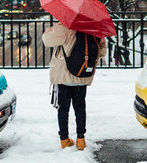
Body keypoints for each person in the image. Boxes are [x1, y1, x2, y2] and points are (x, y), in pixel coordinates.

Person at [42, 22, 107, 150]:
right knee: (80, 108)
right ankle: (81, 139)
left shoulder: (66, 28)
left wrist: (56, 26)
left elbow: (46, 40)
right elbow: (102, 52)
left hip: (64, 77)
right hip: (82, 77)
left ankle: (64, 139)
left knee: (63, 109)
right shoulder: (93, 28)